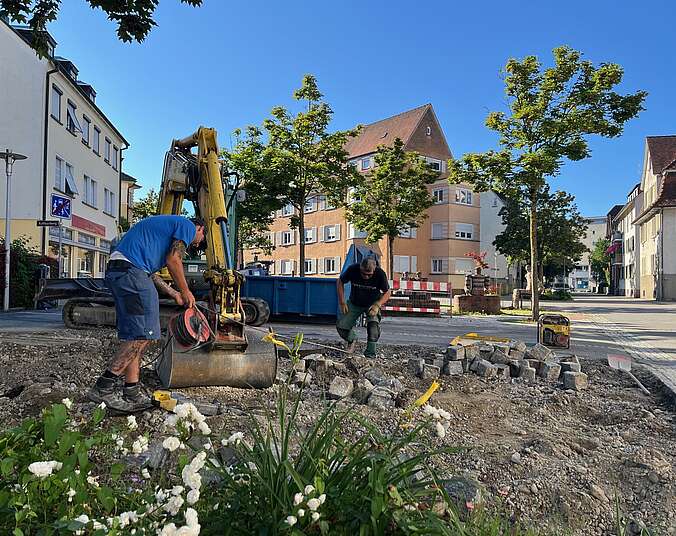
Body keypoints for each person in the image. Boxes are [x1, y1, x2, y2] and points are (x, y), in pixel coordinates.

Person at [87, 215, 206, 413]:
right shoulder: (186, 225)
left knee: (135, 334)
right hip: (133, 274)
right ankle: (103, 387)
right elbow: (173, 259)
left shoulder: (156, 235)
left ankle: (131, 390)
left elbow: (150, 273)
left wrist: (174, 293)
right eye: (200, 241)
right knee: (144, 335)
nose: (196, 244)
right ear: (200, 228)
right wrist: (186, 290)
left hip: (120, 273)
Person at [336, 257, 391, 357]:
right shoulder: (352, 269)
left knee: (373, 328)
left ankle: (370, 355)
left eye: (369, 275)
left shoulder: (380, 274)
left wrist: (377, 305)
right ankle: (352, 339)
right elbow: (340, 281)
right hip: (354, 303)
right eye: (363, 273)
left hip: (372, 304)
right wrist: (342, 302)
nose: (365, 277)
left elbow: (387, 292)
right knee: (342, 326)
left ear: (374, 270)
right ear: (360, 268)